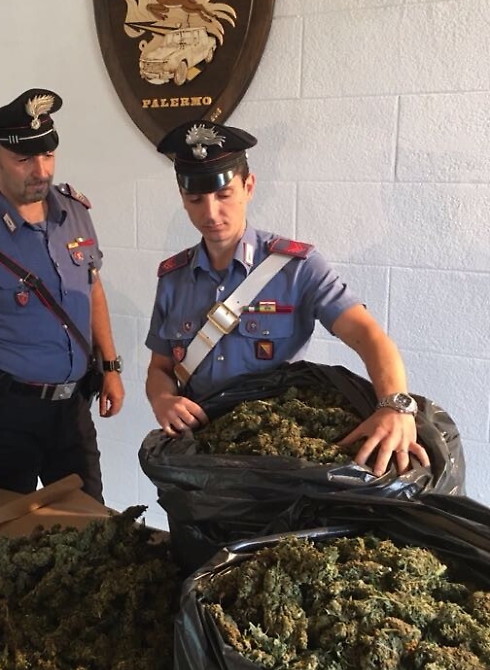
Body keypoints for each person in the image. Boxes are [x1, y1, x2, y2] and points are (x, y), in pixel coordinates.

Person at [145, 119, 429, 478]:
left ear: (249, 186)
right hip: (199, 456)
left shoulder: (297, 268)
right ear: (183, 198)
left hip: (274, 455)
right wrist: (163, 399)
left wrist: (396, 405)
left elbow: (367, 335)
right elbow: (160, 369)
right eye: (196, 199)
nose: (211, 213)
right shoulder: (173, 278)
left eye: (224, 194)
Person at [0, 88, 124, 504]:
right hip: (5, 416)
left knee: (88, 522)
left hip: (72, 409)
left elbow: (92, 288)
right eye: (24, 159)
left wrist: (109, 365)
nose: (41, 170)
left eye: (48, 155)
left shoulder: (74, 211)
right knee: (3, 532)